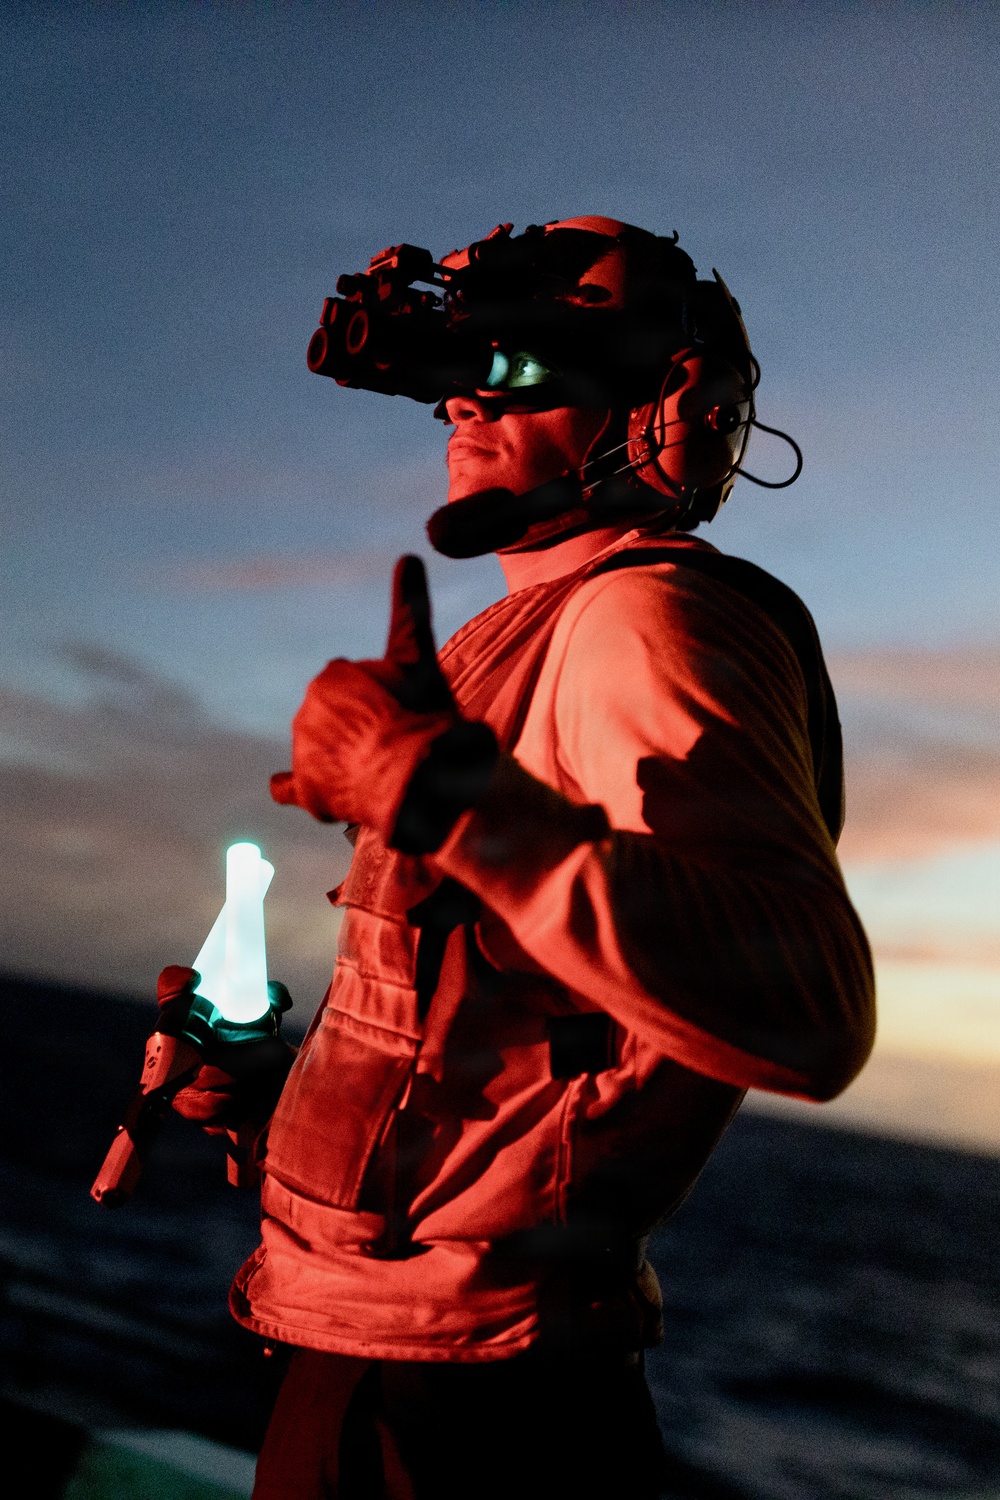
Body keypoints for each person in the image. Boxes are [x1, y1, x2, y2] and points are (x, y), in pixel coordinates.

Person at [166, 217, 875, 1498]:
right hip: (382, 1363)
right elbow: (513, 1035)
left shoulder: (647, 613)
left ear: (669, 413)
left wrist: (444, 801)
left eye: (528, 365)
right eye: (468, 364)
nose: (461, 394)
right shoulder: (526, 631)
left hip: (476, 1413)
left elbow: (808, 1006)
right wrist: (274, 1097)